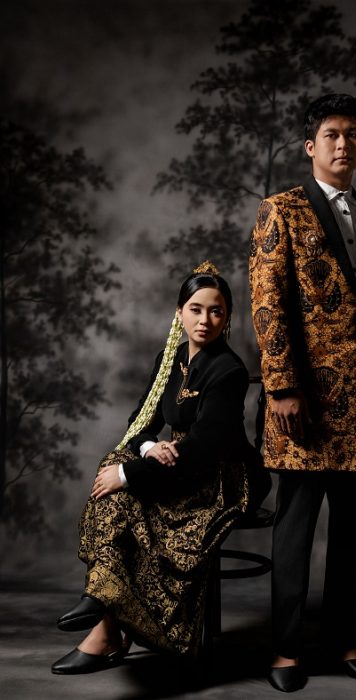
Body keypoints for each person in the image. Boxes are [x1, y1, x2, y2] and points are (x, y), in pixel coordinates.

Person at [249, 94, 356, 692]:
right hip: (303, 407)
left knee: (350, 534)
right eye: (332, 134)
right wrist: (281, 388)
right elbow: (268, 306)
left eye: (353, 134)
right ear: (310, 146)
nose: (344, 144)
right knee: (294, 533)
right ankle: (286, 651)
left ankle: (342, 640)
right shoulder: (281, 211)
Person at [52, 261, 266, 674]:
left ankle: (102, 613)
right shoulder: (170, 358)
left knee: (122, 481)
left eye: (216, 311)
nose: (205, 320)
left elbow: (204, 450)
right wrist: (150, 448)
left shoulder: (229, 371)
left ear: (227, 318)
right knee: (116, 464)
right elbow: (139, 422)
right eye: (196, 309)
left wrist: (129, 475)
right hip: (178, 461)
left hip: (221, 475)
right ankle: (103, 610)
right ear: (179, 312)